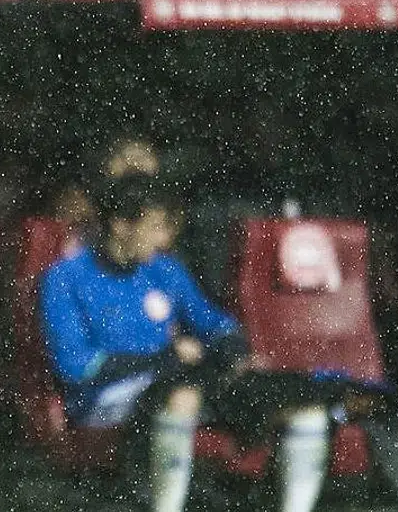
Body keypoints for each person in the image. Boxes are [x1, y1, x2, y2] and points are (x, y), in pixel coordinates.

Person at [40, 174, 333, 512]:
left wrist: (234, 348)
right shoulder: (65, 278)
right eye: (156, 227)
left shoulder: (164, 269)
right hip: (102, 397)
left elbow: (211, 322)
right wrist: (162, 358)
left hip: (174, 381)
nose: (165, 239)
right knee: (182, 397)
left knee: (303, 404)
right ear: (120, 225)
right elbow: (76, 367)